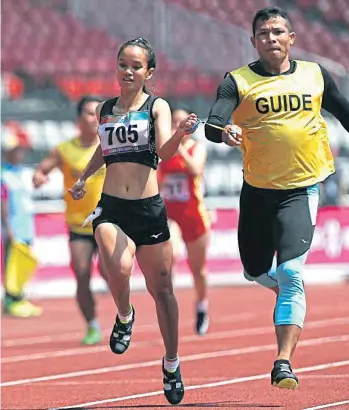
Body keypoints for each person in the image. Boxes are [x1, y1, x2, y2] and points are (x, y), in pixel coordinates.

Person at [204, 7, 349, 390]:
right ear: (253, 41)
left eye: (278, 31)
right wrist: (224, 132)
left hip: (303, 188)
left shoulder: (314, 74)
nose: (271, 38)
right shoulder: (237, 81)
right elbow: (214, 122)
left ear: (292, 38)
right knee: (254, 270)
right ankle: (284, 291)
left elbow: (347, 113)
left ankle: (283, 362)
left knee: (291, 273)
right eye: (263, 33)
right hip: (258, 192)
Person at [68, 37, 199, 405]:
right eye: (123, 64)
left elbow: (162, 151)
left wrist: (179, 133)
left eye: (136, 66)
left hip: (149, 209)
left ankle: (171, 363)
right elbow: (103, 148)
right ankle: (125, 315)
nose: (128, 71)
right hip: (112, 206)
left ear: (149, 72)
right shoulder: (106, 109)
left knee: (164, 293)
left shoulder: (157, 106)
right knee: (117, 264)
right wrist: (84, 177)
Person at [32, 95, 107, 345]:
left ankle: (124, 317)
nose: (94, 118)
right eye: (88, 113)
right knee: (82, 274)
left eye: (97, 113)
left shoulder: (110, 145)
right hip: (79, 224)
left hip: (109, 221)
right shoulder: (65, 149)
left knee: (112, 273)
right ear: (78, 120)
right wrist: (39, 177)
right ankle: (92, 326)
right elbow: (41, 170)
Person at [159, 107, 210, 335]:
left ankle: (201, 305)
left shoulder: (196, 148)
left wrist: (179, 145)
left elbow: (196, 169)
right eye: (174, 122)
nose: (177, 125)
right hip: (170, 215)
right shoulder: (163, 152)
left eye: (181, 122)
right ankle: (170, 309)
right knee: (170, 255)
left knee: (198, 269)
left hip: (194, 215)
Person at [1, 125, 42, 317]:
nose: (20, 154)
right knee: (12, 266)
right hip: (13, 228)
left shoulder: (24, 173)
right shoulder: (4, 175)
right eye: (16, 150)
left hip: (26, 227)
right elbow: (3, 204)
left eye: (21, 150)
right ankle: (11, 300)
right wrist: (8, 228)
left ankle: (20, 297)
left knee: (23, 264)